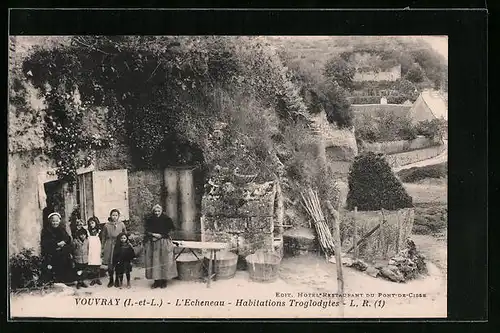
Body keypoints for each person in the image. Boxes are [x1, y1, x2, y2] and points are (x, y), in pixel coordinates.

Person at [144, 204, 178, 289]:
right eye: (155, 211)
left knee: (164, 260)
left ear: (161, 211)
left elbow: (171, 230)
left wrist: (162, 235)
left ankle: (164, 281)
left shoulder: (166, 219)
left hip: (164, 242)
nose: (157, 213)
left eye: (158, 211)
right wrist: (153, 234)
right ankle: (156, 281)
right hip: (153, 242)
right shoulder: (150, 219)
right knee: (154, 261)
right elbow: (146, 230)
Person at [41, 212, 73, 284]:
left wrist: (64, 242)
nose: (55, 223)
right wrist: (56, 244)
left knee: (65, 262)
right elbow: (45, 242)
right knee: (55, 266)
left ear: (59, 221)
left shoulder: (61, 229)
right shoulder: (46, 230)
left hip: (62, 252)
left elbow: (68, 238)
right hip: (53, 253)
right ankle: (56, 280)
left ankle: (65, 280)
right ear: (50, 221)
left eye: (56, 221)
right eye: (53, 221)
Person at [100, 209, 127, 288]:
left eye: (116, 215)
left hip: (118, 245)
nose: (114, 217)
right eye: (113, 215)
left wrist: (125, 244)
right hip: (109, 245)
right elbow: (103, 237)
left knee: (117, 263)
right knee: (110, 264)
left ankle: (117, 280)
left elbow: (125, 234)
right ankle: (111, 280)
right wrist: (102, 247)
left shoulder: (121, 224)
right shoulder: (106, 225)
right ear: (110, 216)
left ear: (118, 216)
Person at [87, 216, 102, 286]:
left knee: (97, 264)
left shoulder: (99, 231)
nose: (91, 225)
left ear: (96, 223)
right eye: (90, 223)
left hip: (97, 249)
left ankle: (98, 279)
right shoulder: (88, 231)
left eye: (92, 223)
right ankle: (93, 279)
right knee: (92, 265)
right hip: (91, 249)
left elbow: (102, 240)